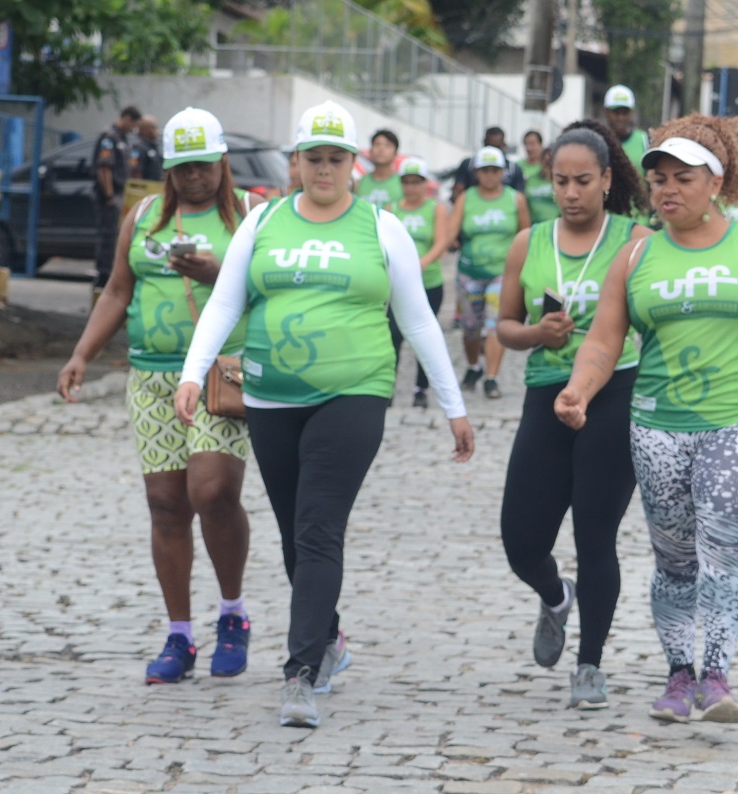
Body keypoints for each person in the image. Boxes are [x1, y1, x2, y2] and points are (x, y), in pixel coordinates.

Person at [173, 100, 474, 730]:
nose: (325, 170)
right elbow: (226, 302)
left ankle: (300, 672)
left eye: (337, 159)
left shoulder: (380, 227)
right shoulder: (263, 223)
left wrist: (454, 406)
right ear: (296, 163)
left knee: (316, 528)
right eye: (314, 158)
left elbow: (417, 319)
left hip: (355, 393)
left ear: (355, 165)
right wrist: (192, 374)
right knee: (293, 535)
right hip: (270, 397)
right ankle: (329, 638)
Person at [553, 114, 738, 724]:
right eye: (657, 179)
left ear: (717, 181)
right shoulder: (636, 255)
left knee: (724, 549)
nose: (666, 190)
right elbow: (604, 340)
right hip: (657, 425)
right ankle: (678, 675)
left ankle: (716, 674)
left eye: (682, 177)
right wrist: (578, 390)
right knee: (675, 558)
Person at [58, 107, 262, 685]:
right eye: (181, 168)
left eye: (203, 166)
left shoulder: (252, 215)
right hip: (151, 378)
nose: (193, 178)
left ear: (222, 162)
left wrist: (216, 273)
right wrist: (81, 354)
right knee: (167, 506)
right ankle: (180, 633)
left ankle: (232, 613)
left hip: (224, 374)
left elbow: (267, 290)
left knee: (214, 490)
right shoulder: (143, 216)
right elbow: (118, 291)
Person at [495, 122, 650, 710]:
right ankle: (556, 595)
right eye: (560, 181)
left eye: (584, 181)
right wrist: (536, 331)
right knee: (520, 539)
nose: (571, 193)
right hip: (546, 389)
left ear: (608, 179)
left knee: (595, 533)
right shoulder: (528, 243)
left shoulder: (636, 240)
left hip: (616, 392)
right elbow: (505, 327)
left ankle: (590, 664)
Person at [448, 145, 532, 400]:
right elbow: (450, 234)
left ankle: (491, 377)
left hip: (501, 274)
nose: (489, 176)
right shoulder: (467, 198)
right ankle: (474, 366)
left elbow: (526, 234)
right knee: (471, 328)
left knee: (494, 324)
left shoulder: (515, 199)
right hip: (469, 273)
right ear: (476, 173)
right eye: (484, 170)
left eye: (495, 170)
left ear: (503, 173)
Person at [386, 157, 450, 407]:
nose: (411, 188)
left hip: (428, 282)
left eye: (416, 182)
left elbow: (441, 242)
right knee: (393, 336)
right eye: (406, 182)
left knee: (424, 337)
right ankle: (387, 387)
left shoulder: (436, 209)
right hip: (397, 285)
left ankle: (420, 388)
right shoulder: (393, 209)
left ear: (425, 184)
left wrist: (420, 263)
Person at [92, 105, 141, 297]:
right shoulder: (109, 137)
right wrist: (110, 196)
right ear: (127, 118)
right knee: (108, 237)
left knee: (115, 238)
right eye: (134, 124)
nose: (134, 129)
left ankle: (108, 275)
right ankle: (103, 278)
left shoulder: (121, 138)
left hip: (119, 193)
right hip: (109, 197)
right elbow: (104, 167)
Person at [452, 127, 526, 200]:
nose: (492, 151)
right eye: (484, 170)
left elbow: (520, 198)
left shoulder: (513, 168)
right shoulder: (469, 164)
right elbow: (457, 192)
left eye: (495, 171)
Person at [603, 84, 650, 178]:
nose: (620, 118)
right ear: (606, 112)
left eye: (625, 113)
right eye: (616, 113)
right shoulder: (598, 140)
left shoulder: (644, 141)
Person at [355, 128, 403, 209]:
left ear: (396, 154)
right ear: (370, 151)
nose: (381, 149)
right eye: (377, 144)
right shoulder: (358, 184)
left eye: (388, 145)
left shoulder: (403, 184)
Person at [524, 147, 560, 225]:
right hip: (534, 224)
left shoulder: (561, 180)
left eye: (550, 161)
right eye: (545, 160)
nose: (547, 163)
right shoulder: (531, 179)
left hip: (555, 224)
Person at [131, 116, 163, 181]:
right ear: (144, 129)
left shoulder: (155, 145)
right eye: (153, 127)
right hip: (146, 187)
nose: (157, 130)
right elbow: (136, 171)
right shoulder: (137, 146)